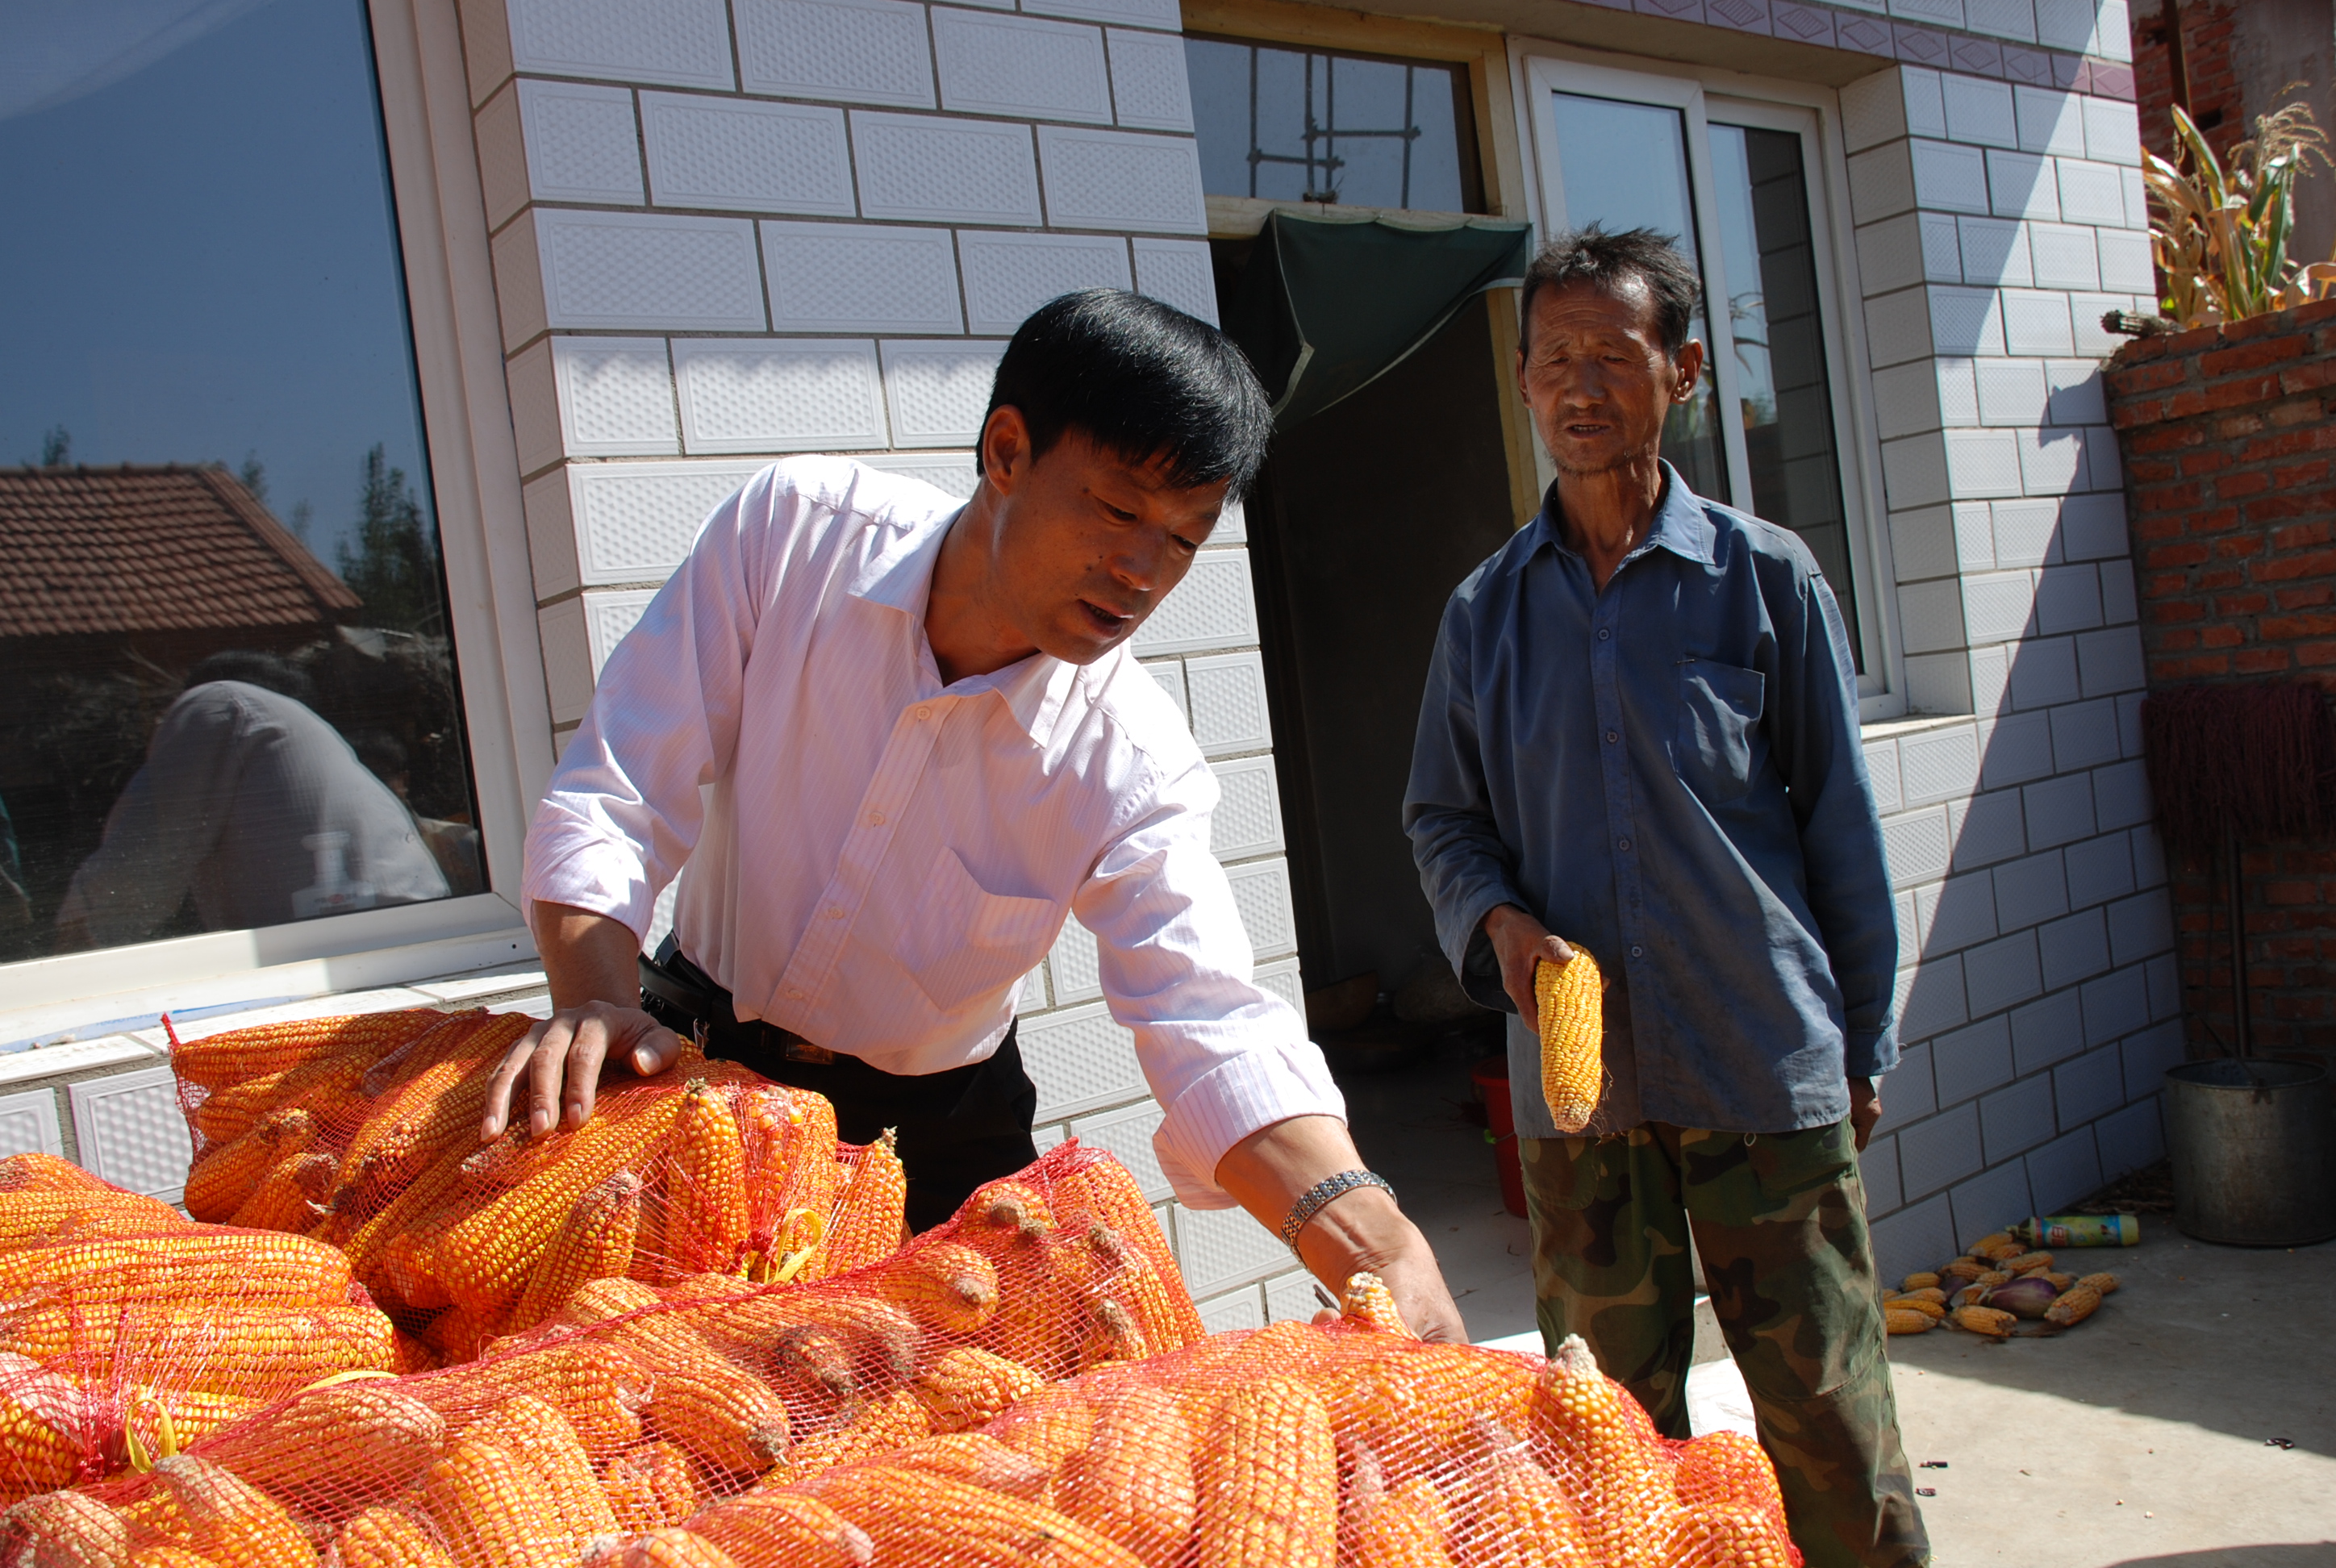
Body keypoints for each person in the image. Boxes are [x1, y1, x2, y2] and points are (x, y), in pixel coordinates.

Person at [492, 290, 1466, 1338]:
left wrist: (1375, 1240)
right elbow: (622, 780)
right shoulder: (792, 539)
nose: (1142, 573)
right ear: (1007, 450)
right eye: (1119, 510)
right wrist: (593, 996)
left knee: (957, 1435)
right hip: (697, 1067)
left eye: (1182, 542)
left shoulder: (1132, 757)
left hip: (940, 1132)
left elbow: (1211, 1021)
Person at [1404, 229, 1927, 1566]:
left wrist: (1859, 1046)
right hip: (1583, 1109)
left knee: (1829, 1425)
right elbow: (1443, 816)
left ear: (1681, 372)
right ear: (1523, 383)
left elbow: (1841, 837)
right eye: (1552, 360)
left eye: (1613, 357)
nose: (1579, 386)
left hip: (1762, 1065)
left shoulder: (1765, 579)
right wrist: (1497, 923)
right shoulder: (1485, 614)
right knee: (1605, 1443)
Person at [55, 651, 449, 949]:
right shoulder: (292, 732)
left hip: (368, 949)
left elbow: (137, 867)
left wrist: (67, 947)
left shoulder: (220, 702)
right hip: (408, 939)